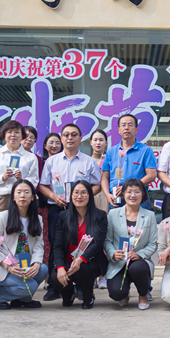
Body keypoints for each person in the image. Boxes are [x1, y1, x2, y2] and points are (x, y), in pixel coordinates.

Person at [39, 124, 102, 301]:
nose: (70, 138)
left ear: (80, 138)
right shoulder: (52, 161)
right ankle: (54, 286)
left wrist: (82, 198)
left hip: (82, 210)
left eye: (74, 135)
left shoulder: (88, 162)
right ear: (61, 139)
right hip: (57, 208)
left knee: (83, 244)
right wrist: (53, 196)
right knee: (56, 245)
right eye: (66, 135)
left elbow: (97, 185)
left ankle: (82, 285)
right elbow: (43, 186)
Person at [0, 180, 49, 310]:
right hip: (3, 267)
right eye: (19, 192)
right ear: (13, 197)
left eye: (26, 192)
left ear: (33, 197)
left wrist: (36, 264)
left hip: (24, 264)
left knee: (43, 269)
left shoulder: (37, 219)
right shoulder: (4, 216)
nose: (22, 195)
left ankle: (22, 299)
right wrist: (8, 265)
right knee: (30, 286)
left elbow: (39, 244)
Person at [50, 181, 108, 309]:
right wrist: (60, 267)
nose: (79, 196)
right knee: (55, 277)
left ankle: (88, 296)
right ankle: (69, 294)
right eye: (76, 193)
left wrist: (80, 260)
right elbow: (58, 245)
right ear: (71, 195)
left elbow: (98, 244)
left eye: (83, 193)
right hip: (67, 260)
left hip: (90, 260)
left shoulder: (100, 216)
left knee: (83, 269)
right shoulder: (63, 216)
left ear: (90, 195)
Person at [104, 179, 157, 310]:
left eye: (137, 192)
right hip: (119, 261)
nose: (133, 195)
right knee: (117, 293)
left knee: (138, 268)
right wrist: (113, 253)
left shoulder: (149, 215)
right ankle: (124, 293)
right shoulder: (113, 214)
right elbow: (107, 240)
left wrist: (139, 254)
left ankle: (143, 295)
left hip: (139, 261)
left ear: (143, 194)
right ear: (123, 194)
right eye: (129, 192)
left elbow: (153, 244)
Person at [0, 120, 39, 239]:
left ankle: (19, 252)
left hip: (21, 199)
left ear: (22, 136)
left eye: (17, 132)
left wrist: (22, 181)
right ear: (4, 135)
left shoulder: (30, 157)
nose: (13, 135)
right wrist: (2, 177)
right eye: (9, 132)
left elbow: (34, 181)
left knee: (19, 233)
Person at [101, 114, 157, 210]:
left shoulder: (145, 150)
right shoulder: (111, 151)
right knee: (115, 220)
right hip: (116, 197)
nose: (126, 128)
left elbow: (151, 176)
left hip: (139, 198)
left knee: (142, 220)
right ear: (119, 130)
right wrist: (107, 194)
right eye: (123, 125)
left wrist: (128, 187)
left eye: (130, 125)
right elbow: (104, 177)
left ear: (136, 129)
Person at [89, 129, 109, 212]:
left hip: (106, 196)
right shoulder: (86, 161)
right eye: (95, 140)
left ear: (106, 142)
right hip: (91, 196)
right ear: (91, 142)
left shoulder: (110, 160)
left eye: (101, 140)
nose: (98, 143)